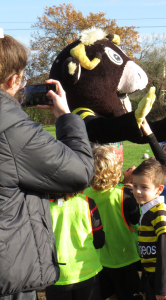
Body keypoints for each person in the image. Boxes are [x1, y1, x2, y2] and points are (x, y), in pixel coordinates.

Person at [0, 34, 94, 299]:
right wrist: (67, 118)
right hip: (9, 273)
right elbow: (80, 172)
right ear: (12, 80)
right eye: (21, 79)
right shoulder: (15, 132)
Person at [83, 146, 142, 300]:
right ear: (116, 169)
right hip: (125, 258)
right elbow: (136, 220)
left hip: (99, 259)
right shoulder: (124, 194)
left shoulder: (83, 195)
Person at [132, 159, 166, 300]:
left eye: (144, 187)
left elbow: (165, 250)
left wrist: (162, 287)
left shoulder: (160, 212)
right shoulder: (148, 210)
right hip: (152, 275)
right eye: (135, 186)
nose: (137, 191)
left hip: (164, 276)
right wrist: (144, 282)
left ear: (159, 190)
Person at [46, 193, 105, 300]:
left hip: (53, 273)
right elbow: (99, 240)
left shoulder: (41, 205)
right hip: (87, 270)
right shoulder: (87, 201)